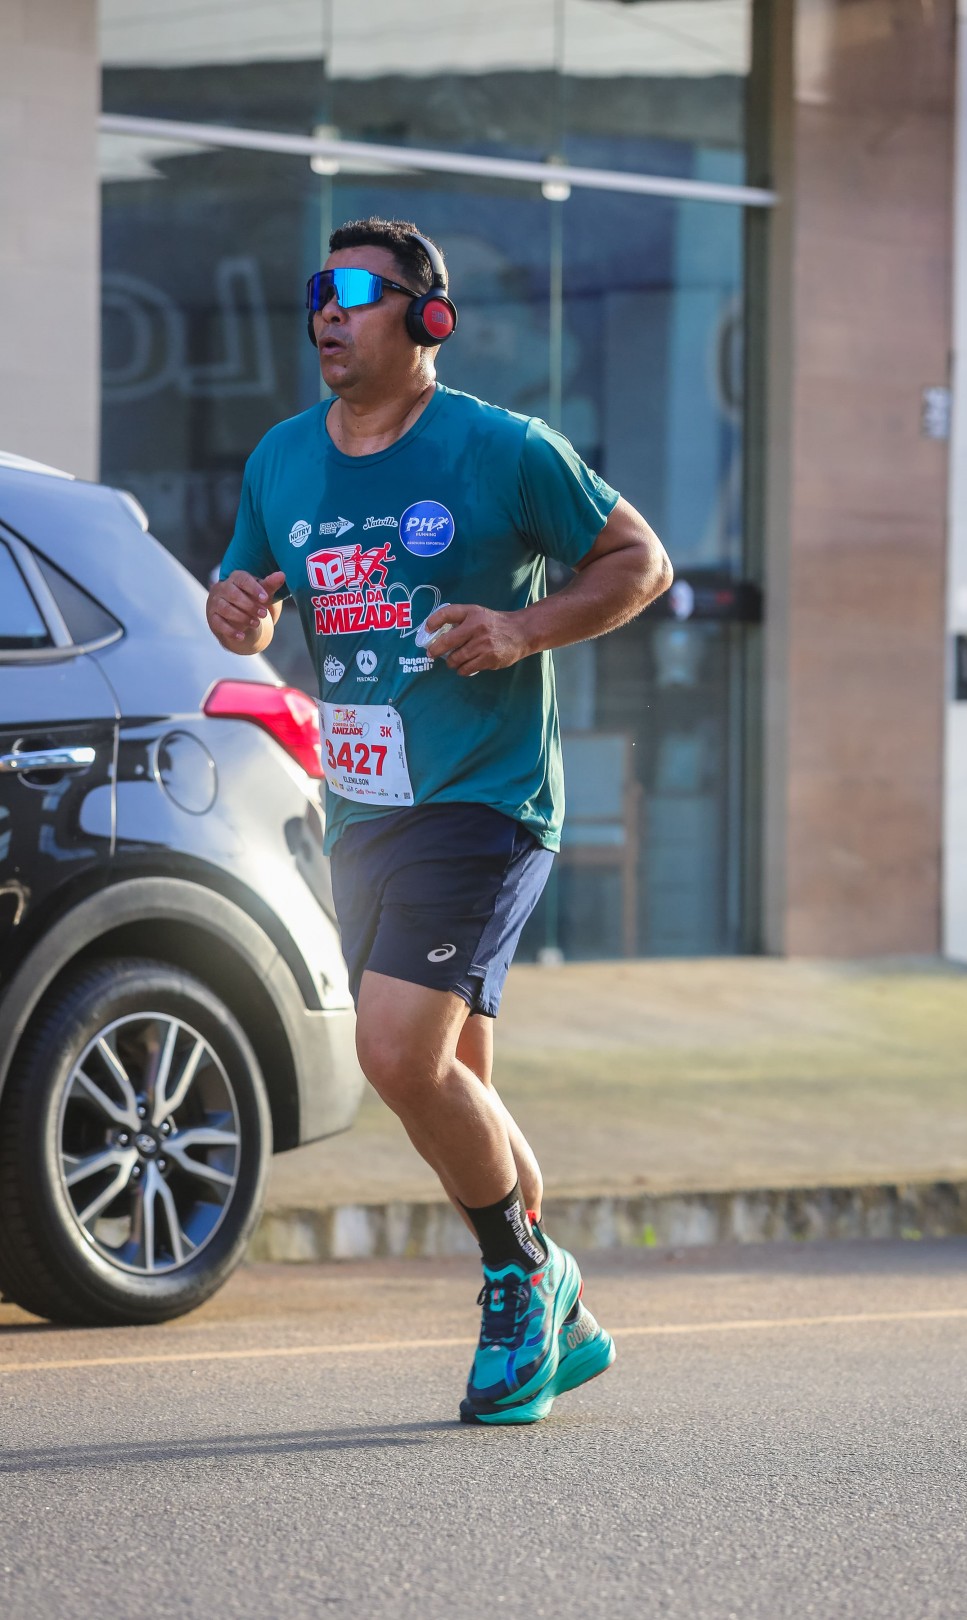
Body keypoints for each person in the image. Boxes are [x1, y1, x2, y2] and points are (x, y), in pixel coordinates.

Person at [206, 216, 672, 1425]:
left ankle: (521, 1279)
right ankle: (557, 1305)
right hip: (364, 808)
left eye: (357, 291)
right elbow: (249, 596)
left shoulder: (502, 448)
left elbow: (639, 561)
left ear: (429, 318)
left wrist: (520, 628)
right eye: (319, 288)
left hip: (485, 796)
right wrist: (239, 610)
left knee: (394, 1053)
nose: (328, 309)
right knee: (455, 1085)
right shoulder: (282, 460)